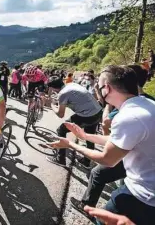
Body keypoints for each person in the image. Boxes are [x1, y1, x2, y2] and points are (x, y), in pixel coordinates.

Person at [49, 65, 155, 225]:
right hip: (147, 188)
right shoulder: (144, 104)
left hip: (142, 195)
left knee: (101, 220)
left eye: (98, 85)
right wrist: (85, 136)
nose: (97, 90)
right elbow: (118, 141)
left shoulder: (128, 117)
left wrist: (71, 145)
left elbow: (107, 159)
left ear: (107, 88)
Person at [46, 76, 102, 168]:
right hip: (97, 112)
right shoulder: (72, 84)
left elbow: (60, 114)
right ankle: (87, 162)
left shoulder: (62, 94)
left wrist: (51, 104)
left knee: (61, 130)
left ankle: (60, 159)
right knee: (89, 137)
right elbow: (77, 99)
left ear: (52, 88)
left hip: (86, 116)